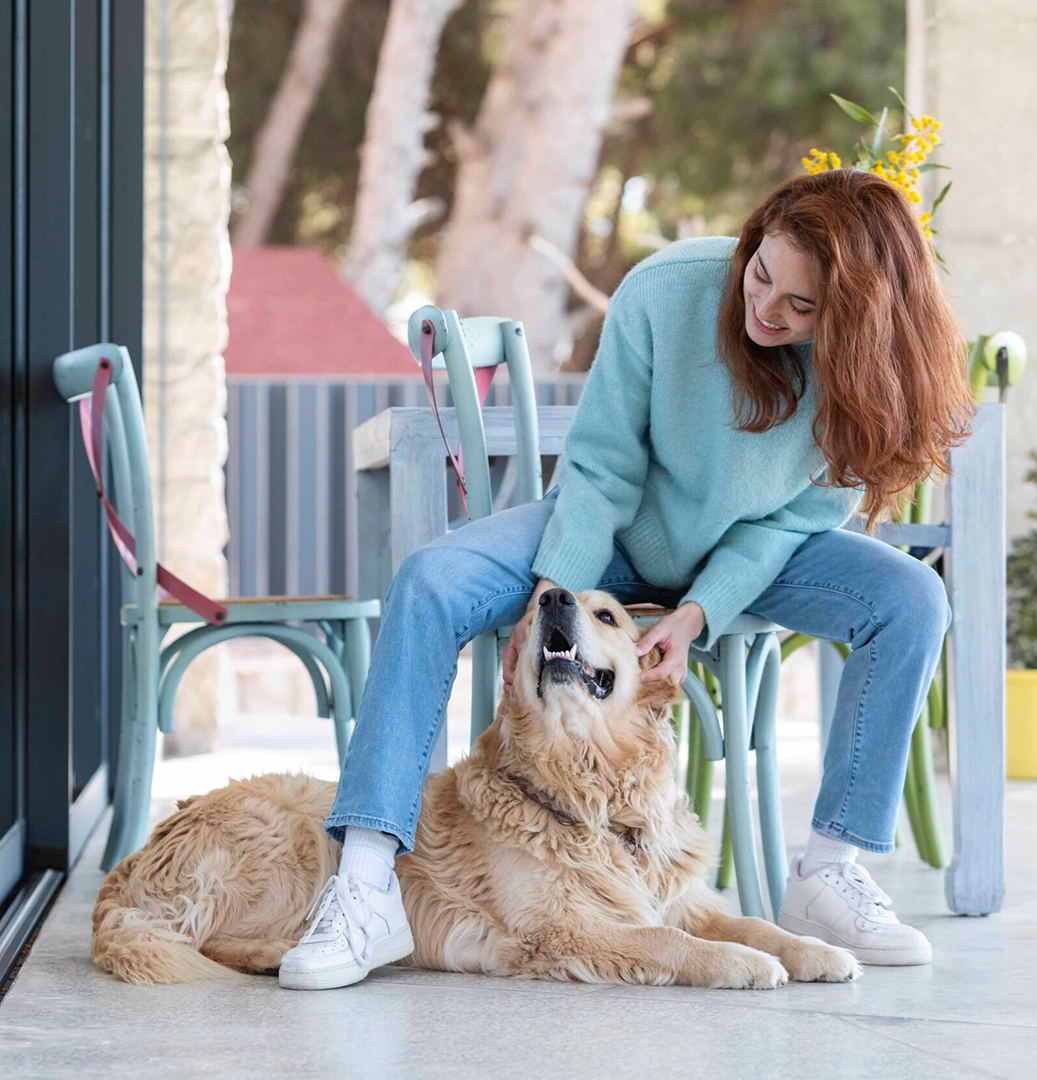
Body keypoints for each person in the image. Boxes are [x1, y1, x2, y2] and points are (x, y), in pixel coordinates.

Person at [277, 168, 976, 990]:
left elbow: (790, 522)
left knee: (913, 597)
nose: (766, 309)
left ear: (856, 316)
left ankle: (830, 872)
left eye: (802, 307)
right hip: (607, 536)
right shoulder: (667, 291)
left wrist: (699, 614)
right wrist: (551, 594)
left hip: (745, 554)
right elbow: (602, 468)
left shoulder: (868, 377)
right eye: (761, 274)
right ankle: (365, 891)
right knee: (433, 579)